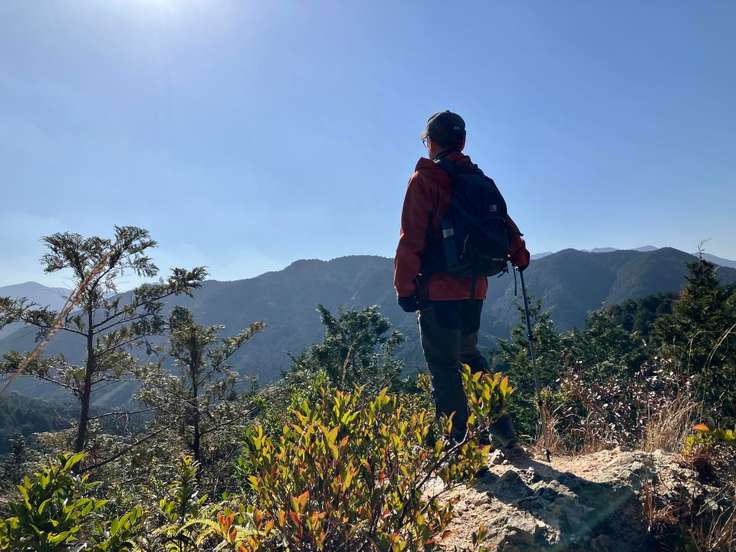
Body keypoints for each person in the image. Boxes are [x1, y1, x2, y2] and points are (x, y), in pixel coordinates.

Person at [394, 110, 530, 451]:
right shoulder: (480, 180)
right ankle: (505, 435)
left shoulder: (425, 179)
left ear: (431, 142)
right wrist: (519, 253)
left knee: (445, 368)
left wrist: (404, 288)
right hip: (475, 288)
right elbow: (504, 224)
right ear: (463, 142)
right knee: (470, 357)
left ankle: (460, 450)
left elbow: (411, 239)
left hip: (438, 291)